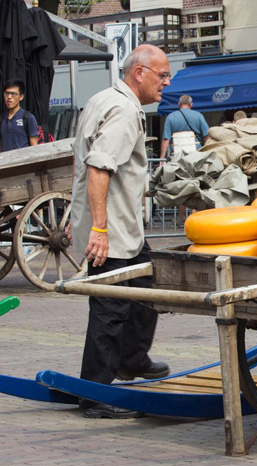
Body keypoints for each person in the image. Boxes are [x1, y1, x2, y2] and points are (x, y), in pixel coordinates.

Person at [69, 45, 172, 419]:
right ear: (140, 73)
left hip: (123, 229)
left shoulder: (102, 99)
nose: (166, 82)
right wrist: (97, 227)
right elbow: (98, 166)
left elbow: (81, 160)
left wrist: (77, 213)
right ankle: (95, 393)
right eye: (162, 75)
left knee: (145, 287)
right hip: (111, 231)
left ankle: (131, 359)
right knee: (110, 309)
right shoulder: (125, 111)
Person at [159, 94, 209, 159]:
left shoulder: (170, 117)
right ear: (191, 104)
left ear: (179, 104)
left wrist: (162, 158)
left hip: (176, 156)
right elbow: (206, 136)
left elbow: (166, 140)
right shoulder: (199, 116)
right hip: (195, 155)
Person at [1, 79, 39, 152]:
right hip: (5, 162)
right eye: (6, 93)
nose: (9, 97)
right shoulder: (1, 119)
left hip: (23, 161)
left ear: (21, 97)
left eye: (13, 94)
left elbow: (35, 148)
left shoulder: (28, 118)